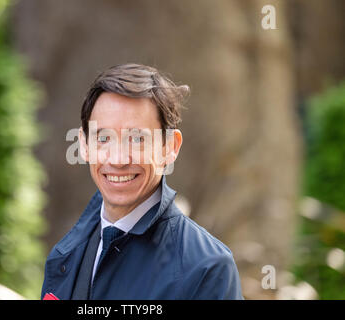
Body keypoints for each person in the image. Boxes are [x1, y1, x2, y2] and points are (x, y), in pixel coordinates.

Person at [41, 63, 243, 300]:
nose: (117, 159)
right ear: (84, 146)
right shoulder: (67, 253)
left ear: (171, 147)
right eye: (103, 138)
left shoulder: (206, 269)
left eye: (137, 139)